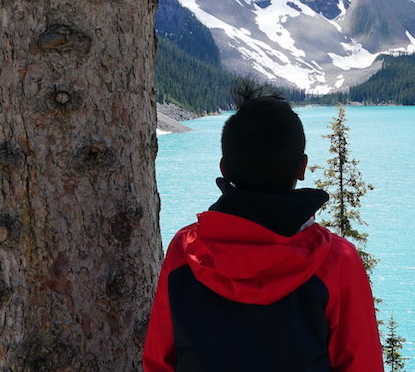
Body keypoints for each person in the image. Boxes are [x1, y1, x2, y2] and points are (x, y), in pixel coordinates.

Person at [143, 83, 384, 372]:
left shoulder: (184, 249)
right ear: (302, 167)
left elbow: (159, 360)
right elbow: (362, 365)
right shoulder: (337, 261)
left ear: (224, 169)